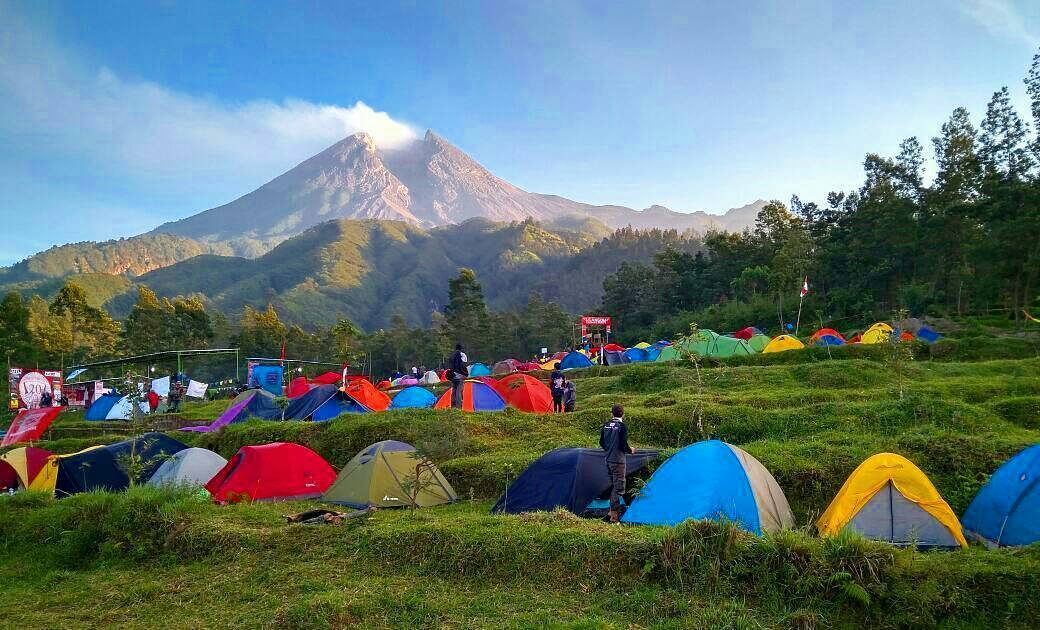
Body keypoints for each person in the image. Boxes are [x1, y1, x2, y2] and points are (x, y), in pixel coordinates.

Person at [600, 404, 635, 523]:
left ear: (612, 414)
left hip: (608, 460)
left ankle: (610, 512)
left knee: (614, 486)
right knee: (619, 488)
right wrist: (631, 450)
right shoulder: (622, 426)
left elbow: (602, 442)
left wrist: (609, 450)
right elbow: (623, 445)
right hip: (618, 461)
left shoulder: (605, 426)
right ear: (623, 414)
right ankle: (614, 516)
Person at [449, 343, 469, 409]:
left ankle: (453, 406)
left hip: (453, 375)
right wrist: (465, 373)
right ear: (461, 348)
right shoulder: (462, 355)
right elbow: (463, 365)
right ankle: (459, 406)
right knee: (459, 391)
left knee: (454, 391)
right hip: (460, 375)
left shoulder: (452, 355)